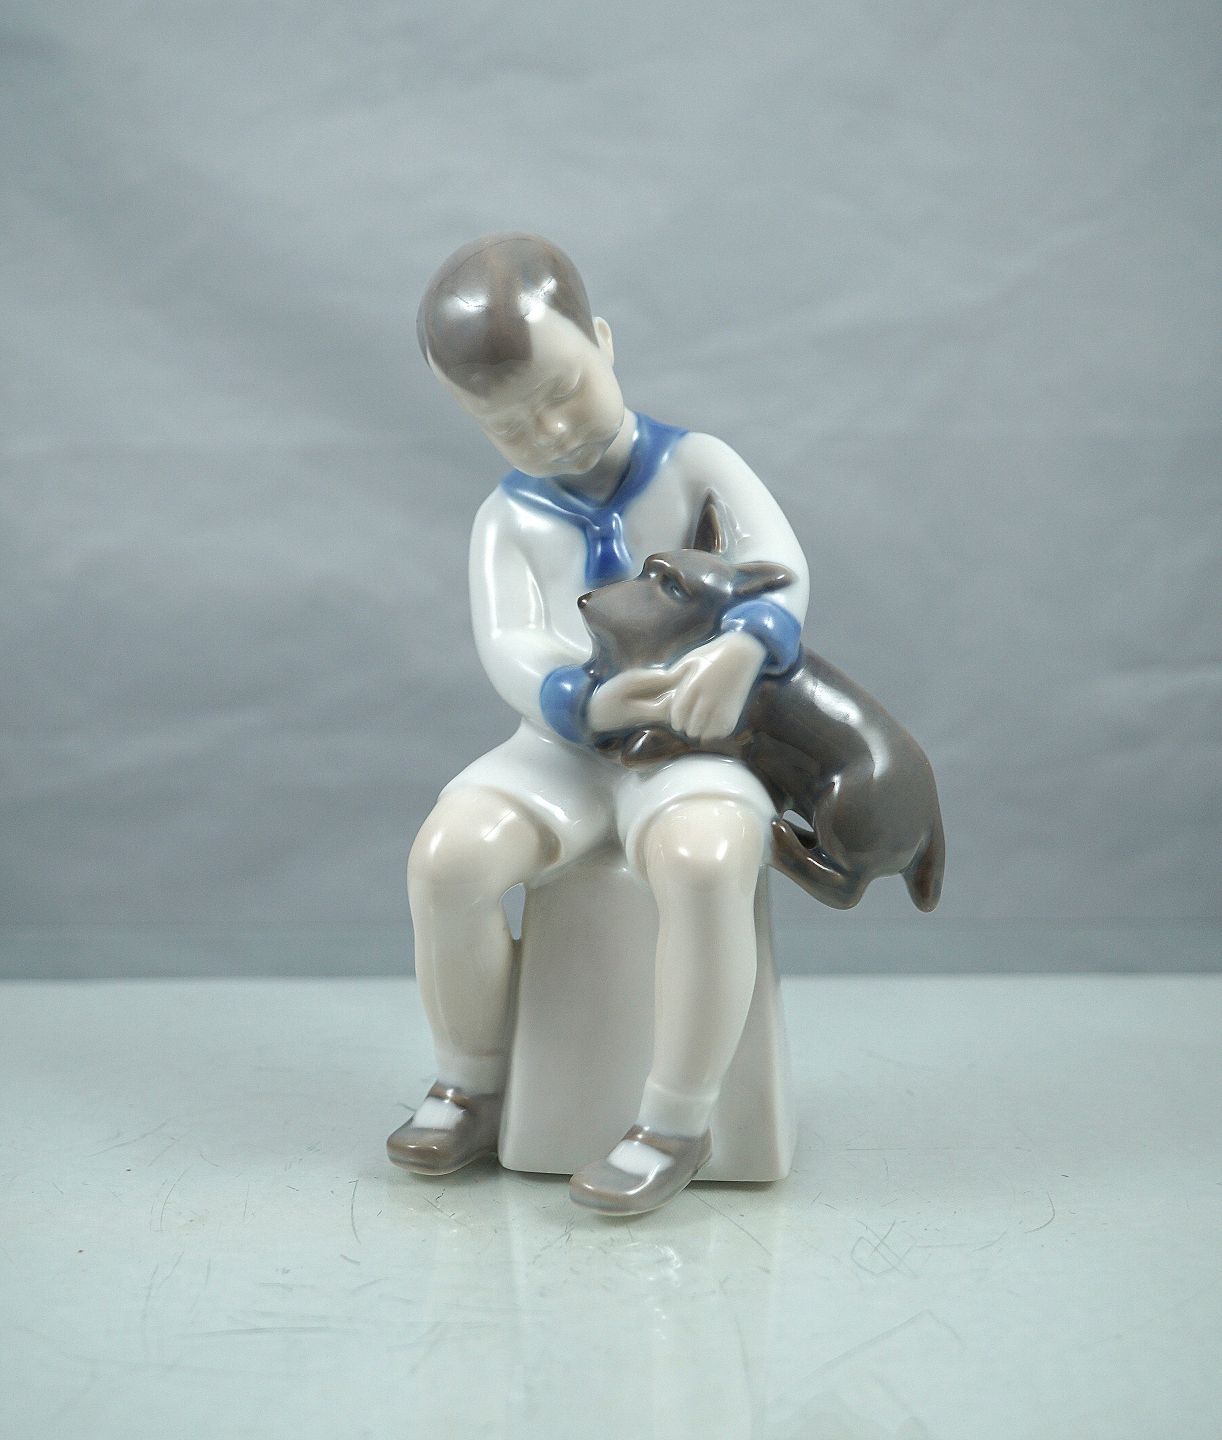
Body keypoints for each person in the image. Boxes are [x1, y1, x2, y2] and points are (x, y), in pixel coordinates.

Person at [388, 234, 809, 1214]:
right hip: (565, 751)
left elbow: (778, 569)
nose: (549, 434)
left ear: (604, 343)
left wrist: (744, 647)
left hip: (695, 742)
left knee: (705, 860)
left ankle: (676, 1119)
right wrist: (580, 701)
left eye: (565, 392)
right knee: (447, 861)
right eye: (507, 425)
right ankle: (471, 1081)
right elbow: (511, 643)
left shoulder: (698, 465)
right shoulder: (507, 521)